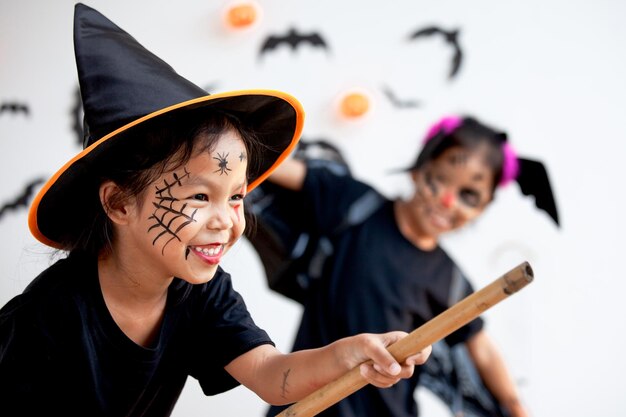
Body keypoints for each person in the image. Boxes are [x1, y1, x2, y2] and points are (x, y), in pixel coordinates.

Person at [0, 4, 431, 416]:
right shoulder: (50, 317)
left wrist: (349, 354)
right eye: (200, 197)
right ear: (118, 203)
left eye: (237, 197)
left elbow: (269, 373)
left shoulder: (198, 293)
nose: (227, 221)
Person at [261, 115, 559, 417]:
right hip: (304, 405)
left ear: (483, 207)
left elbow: (480, 348)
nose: (447, 201)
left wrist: (514, 405)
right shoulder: (356, 206)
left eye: (468, 196)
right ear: (418, 170)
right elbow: (273, 168)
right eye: (439, 179)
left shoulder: (450, 280)